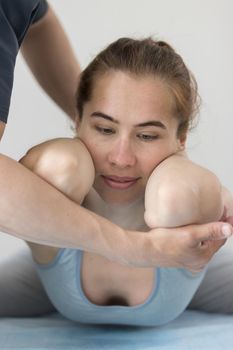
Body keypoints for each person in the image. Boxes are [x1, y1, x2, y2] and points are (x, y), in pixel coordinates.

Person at [0, 1, 232, 317]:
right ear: (77, 118)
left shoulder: (179, 193)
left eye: (147, 135)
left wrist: (215, 193)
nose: (121, 158)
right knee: (60, 167)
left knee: (178, 193)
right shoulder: (61, 175)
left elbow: (35, 17)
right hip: (49, 272)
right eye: (104, 128)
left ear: (181, 138)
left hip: (190, 271)